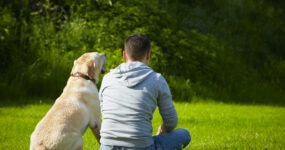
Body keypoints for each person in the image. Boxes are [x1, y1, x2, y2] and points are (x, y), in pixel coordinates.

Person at [99, 33, 191, 150]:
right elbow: (171, 121)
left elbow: (103, 109)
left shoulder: (108, 78)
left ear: (124, 55)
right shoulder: (156, 80)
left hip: (107, 146)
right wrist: (164, 128)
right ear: (148, 54)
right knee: (184, 134)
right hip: (140, 146)